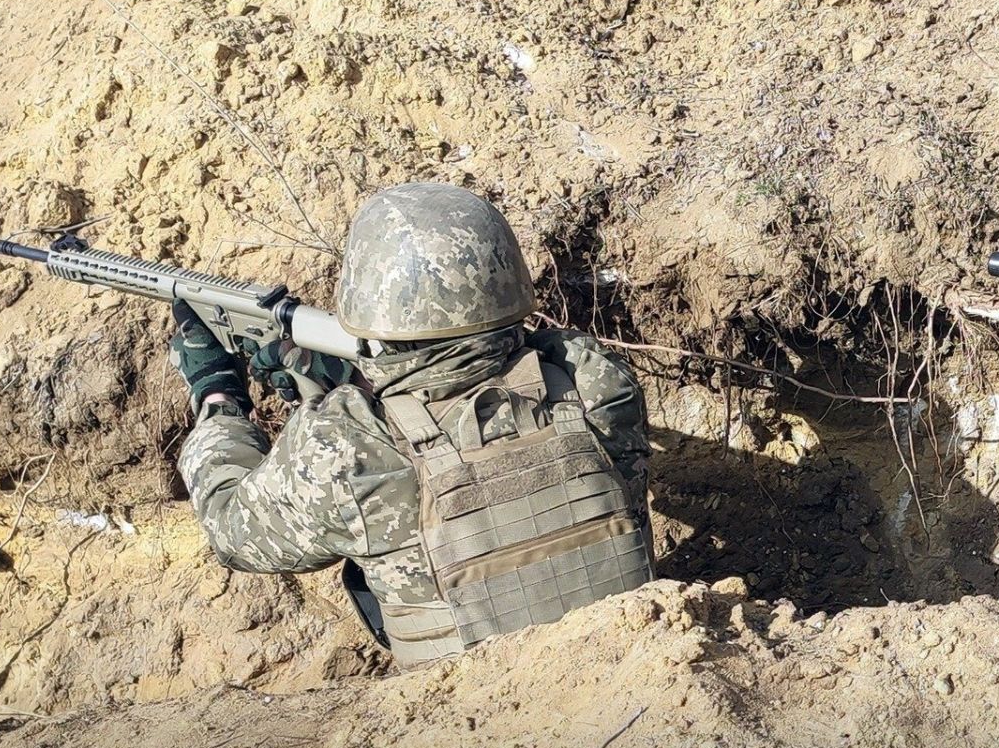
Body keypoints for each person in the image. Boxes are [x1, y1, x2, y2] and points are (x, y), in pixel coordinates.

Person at [170, 182, 654, 665]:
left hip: (465, 703)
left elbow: (230, 527)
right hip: (627, 667)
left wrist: (217, 394)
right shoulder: (597, 387)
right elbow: (499, 378)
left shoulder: (343, 447)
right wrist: (365, 382)